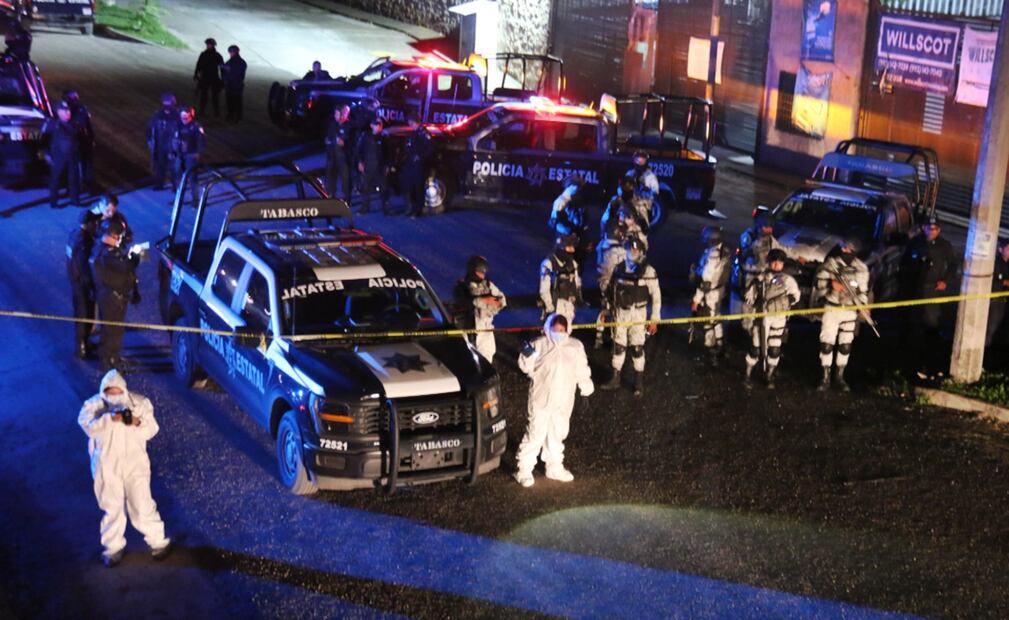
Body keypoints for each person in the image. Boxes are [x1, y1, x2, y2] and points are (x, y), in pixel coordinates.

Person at [78, 369, 171, 567]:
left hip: (135, 463)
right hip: (106, 465)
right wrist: (110, 419)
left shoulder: (139, 403)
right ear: (103, 391)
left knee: (142, 504)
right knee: (112, 508)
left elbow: (151, 430)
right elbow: (89, 427)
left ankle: (158, 541)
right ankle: (113, 548)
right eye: (109, 392)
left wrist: (136, 422)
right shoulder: (93, 406)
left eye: (117, 392)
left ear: (124, 390)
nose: (113, 396)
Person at [513, 314, 594, 488]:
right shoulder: (539, 344)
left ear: (567, 330)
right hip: (541, 398)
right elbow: (526, 367)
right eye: (555, 330)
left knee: (557, 433)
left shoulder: (575, 346)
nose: (558, 333)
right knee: (535, 433)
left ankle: (554, 467)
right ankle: (524, 470)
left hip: (563, 400)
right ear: (548, 328)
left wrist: (585, 390)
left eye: (561, 330)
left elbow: (582, 369)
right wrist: (527, 354)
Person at [600, 237, 661, 396]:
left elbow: (656, 296)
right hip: (621, 313)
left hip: (638, 315)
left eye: (635, 249)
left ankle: (638, 383)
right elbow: (612, 292)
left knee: (637, 348)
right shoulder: (619, 268)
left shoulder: (648, 271)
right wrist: (607, 311)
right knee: (618, 346)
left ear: (640, 251)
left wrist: (654, 319)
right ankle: (615, 378)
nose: (633, 252)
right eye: (630, 249)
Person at [900, 216, 957, 378]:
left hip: (932, 291)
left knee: (931, 326)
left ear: (939, 230)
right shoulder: (915, 243)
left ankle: (930, 363)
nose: (930, 231)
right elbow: (904, 263)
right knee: (912, 326)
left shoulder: (944, 246)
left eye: (934, 228)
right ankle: (908, 363)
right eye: (927, 227)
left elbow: (953, 266)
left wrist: (945, 281)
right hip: (914, 290)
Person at [814, 238, 869, 391]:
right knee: (827, 344)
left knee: (845, 345)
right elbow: (819, 282)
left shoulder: (861, 268)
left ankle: (840, 377)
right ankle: (825, 377)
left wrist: (862, 305)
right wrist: (831, 284)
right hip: (832, 308)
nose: (844, 251)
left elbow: (863, 291)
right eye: (843, 248)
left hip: (849, 310)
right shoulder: (832, 263)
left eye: (847, 249)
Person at [743, 248, 800, 389]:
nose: (776, 265)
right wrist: (756, 299)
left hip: (779, 318)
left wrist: (787, 300)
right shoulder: (760, 279)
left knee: (774, 349)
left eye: (779, 263)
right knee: (756, 348)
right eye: (774, 262)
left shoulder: (788, 280)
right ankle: (747, 375)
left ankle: (769, 375)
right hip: (762, 317)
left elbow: (796, 296)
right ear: (769, 262)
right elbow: (749, 297)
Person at [90, 219, 140, 371]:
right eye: (118, 236)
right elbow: (126, 266)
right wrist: (135, 256)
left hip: (108, 296)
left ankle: (111, 358)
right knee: (114, 330)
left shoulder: (100, 249)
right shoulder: (108, 254)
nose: (119, 239)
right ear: (111, 235)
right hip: (113, 298)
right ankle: (110, 361)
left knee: (110, 329)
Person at [690, 226, 732, 365]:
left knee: (708, 323)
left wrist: (696, 300)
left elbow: (705, 282)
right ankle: (721, 346)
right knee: (716, 319)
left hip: (709, 294)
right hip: (719, 291)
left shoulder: (712, 256)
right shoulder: (724, 251)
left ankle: (712, 353)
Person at [735, 214, 781, 331]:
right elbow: (745, 253)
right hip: (750, 276)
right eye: (766, 227)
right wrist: (757, 246)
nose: (769, 230)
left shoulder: (770, 240)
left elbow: (780, 249)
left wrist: (796, 257)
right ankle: (746, 331)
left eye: (770, 227)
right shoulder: (748, 236)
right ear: (759, 227)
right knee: (748, 305)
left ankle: (761, 332)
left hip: (765, 275)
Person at [67, 209, 103, 359]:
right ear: (87, 223)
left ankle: (84, 342)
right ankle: (81, 347)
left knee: (81, 314)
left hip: (75, 281)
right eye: (94, 222)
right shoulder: (84, 241)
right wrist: (91, 287)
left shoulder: (74, 234)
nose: (96, 225)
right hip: (83, 284)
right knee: (85, 314)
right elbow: (84, 267)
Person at [459, 256, 507, 363]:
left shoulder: (488, 285)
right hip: (469, 331)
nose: (483, 275)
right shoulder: (462, 286)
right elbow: (466, 302)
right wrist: (484, 300)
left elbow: (502, 300)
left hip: (486, 330)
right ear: (473, 270)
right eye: (480, 272)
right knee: (468, 361)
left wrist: (494, 301)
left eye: (484, 272)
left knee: (487, 360)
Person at [42, 101, 81, 209]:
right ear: (58, 112)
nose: (68, 113)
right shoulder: (52, 124)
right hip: (58, 156)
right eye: (65, 111)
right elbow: (44, 140)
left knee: (73, 178)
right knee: (55, 178)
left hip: (72, 156)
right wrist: (46, 154)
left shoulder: (74, 124)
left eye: (68, 110)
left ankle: (75, 200)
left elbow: (79, 139)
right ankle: (54, 202)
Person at [550, 175, 591, 272]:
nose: (579, 189)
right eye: (578, 187)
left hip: (575, 237)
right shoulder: (561, 201)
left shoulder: (577, 201)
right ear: (572, 186)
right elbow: (554, 222)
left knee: (577, 264)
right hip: (565, 238)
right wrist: (569, 231)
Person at [540, 234, 582, 325]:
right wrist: (550, 308)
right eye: (569, 247)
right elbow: (544, 289)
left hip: (569, 307)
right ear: (561, 248)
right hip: (554, 307)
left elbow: (577, 284)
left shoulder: (573, 264)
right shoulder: (549, 263)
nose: (573, 250)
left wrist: (575, 305)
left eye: (573, 247)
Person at [171, 107, 206, 207]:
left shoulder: (196, 127)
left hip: (191, 155)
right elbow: (173, 139)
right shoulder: (177, 125)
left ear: (191, 116)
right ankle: (178, 199)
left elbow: (201, 141)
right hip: (179, 154)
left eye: (187, 117)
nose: (184, 119)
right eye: (183, 117)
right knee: (177, 178)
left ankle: (195, 201)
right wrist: (173, 151)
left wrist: (197, 154)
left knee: (192, 178)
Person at [400, 113, 433, 217]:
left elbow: (430, 148)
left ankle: (418, 210)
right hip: (410, 162)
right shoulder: (413, 133)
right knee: (409, 186)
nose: (410, 125)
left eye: (411, 123)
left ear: (416, 123)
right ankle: (411, 207)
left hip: (419, 164)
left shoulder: (423, 133)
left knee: (418, 187)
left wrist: (420, 156)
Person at [356, 117, 390, 214]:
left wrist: (388, 165)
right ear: (371, 126)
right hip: (368, 166)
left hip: (380, 167)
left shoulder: (384, 137)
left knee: (383, 189)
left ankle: (386, 208)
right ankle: (365, 208)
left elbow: (388, 153)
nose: (379, 126)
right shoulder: (366, 137)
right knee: (366, 188)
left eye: (380, 124)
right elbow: (359, 151)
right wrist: (360, 162)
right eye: (377, 124)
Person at [147, 93, 180, 191]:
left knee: (172, 167)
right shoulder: (157, 115)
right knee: (161, 166)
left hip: (171, 146)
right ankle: (160, 184)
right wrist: (150, 140)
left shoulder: (177, 115)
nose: (167, 106)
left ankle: (174, 186)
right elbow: (150, 128)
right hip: (161, 145)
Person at [64, 90, 95, 193]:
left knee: (78, 164)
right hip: (81, 140)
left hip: (77, 140)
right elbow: (89, 126)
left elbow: (87, 126)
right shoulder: (82, 109)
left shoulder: (67, 110)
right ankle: (86, 185)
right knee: (84, 164)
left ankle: (81, 186)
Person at [621, 151, 660, 224]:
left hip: (643, 205)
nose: (639, 163)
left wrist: (646, 192)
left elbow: (655, 192)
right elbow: (621, 188)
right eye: (637, 160)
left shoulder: (650, 176)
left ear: (646, 162)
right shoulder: (630, 173)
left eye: (642, 161)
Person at [324, 105, 352, 200]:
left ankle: (347, 198)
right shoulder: (332, 124)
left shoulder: (348, 125)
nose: (335, 115)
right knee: (331, 177)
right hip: (332, 157)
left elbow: (351, 141)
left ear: (342, 114)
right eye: (335, 113)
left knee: (345, 178)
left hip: (343, 158)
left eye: (337, 114)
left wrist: (344, 142)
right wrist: (327, 140)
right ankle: (331, 195)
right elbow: (328, 136)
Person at [986, 240, 1009, 350]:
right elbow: (988, 281)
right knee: (990, 327)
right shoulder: (994, 263)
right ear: (1000, 249)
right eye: (1008, 249)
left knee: (996, 328)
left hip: (1003, 301)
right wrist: (1004, 282)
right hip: (993, 300)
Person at [193, 37, 223, 118]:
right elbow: (198, 65)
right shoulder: (203, 54)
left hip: (214, 77)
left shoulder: (217, 55)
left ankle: (216, 112)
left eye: (210, 44)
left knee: (214, 96)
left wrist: (223, 79)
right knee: (204, 95)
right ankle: (202, 111)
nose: (208, 46)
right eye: (208, 44)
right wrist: (196, 74)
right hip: (205, 77)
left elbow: (222, 67)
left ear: (213, 45)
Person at [221, 44, 247, 122]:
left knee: (236, 101)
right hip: (230, 85)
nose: (230, 54)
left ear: (236, 52)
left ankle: (237, 116)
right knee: (229, 101)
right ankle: (231, 114)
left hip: (236, 85)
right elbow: (225, 70)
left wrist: (228, 69)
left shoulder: (241, 62)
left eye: (231, 52)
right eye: (230, 52)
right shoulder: (230, 61)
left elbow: (237, 73)